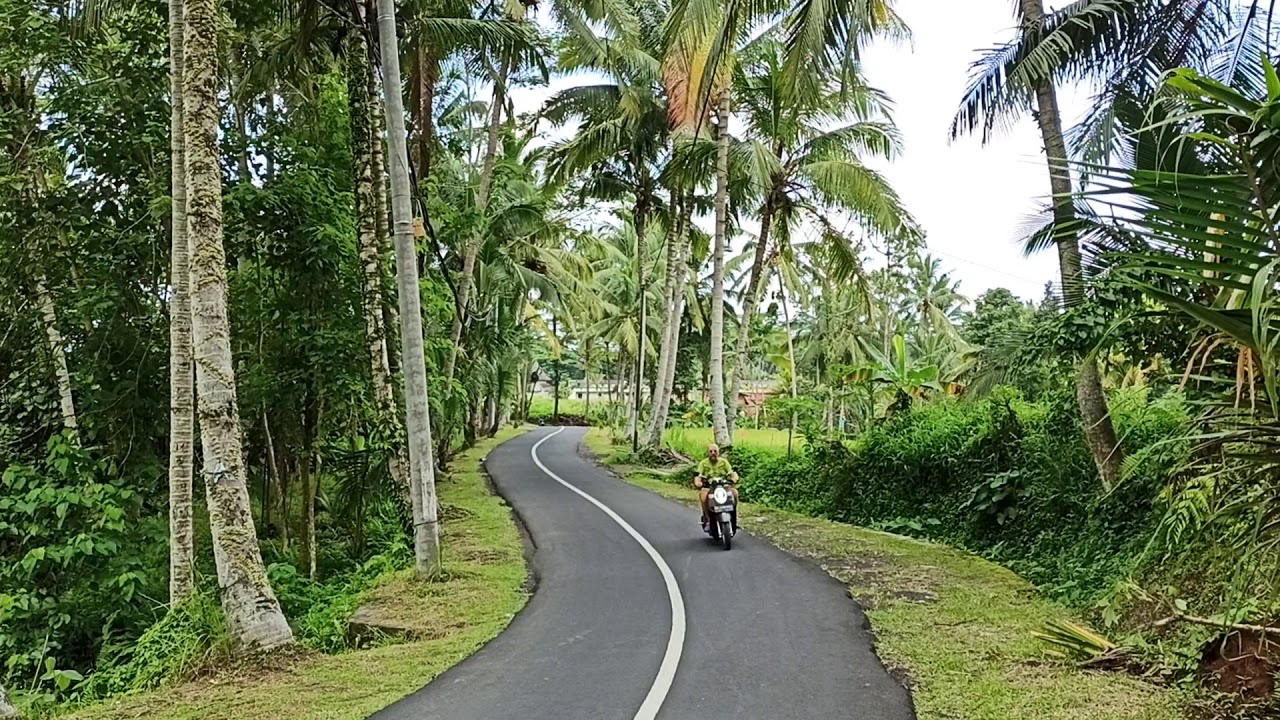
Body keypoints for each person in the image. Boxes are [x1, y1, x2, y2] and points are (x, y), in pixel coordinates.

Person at [694, 443, 739, 532]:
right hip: (709, 487)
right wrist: (698, 482)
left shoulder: (724, 462)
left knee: (735, 493)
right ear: (708, 453)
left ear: (719, 452)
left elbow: (732, 472)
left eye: (715, 451)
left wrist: (734, 478)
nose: (713, 453)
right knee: (703, 496)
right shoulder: (703, 463)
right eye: (711, 451)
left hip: (724, 487)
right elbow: (698, 476)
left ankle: (733, 517)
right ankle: (708, 520)